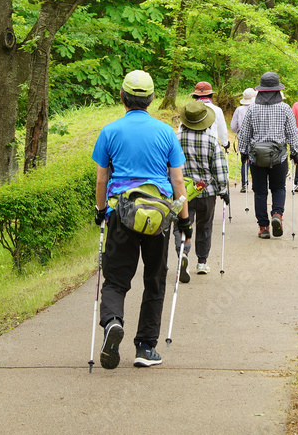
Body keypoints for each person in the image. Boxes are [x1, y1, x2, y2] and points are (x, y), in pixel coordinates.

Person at [92, 70, 189, 370]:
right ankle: (145, 348)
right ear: (151, 99)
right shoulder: (165, 133)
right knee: (155, 280)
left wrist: (99, 211)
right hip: (158, 217)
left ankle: (112, 323)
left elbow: (101, 179)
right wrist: (183, 219)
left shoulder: (110, 131)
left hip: (122, 214)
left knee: (116, 279)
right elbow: (177, 181)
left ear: (121, 97)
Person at [236, 72, 298, 239]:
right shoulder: (285, 108)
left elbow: (244, 133)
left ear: (260, 90)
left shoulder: (252, 108)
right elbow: (292, 132)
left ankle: (263, 227)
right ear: (278, 90)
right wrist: (295, 151)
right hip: (279, 156)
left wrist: (243, 152)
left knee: (260, 191)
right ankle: (277, 215)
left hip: (257, 157)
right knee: (278, 188)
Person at [176, 100, 230, 278]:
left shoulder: (176, 139)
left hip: (182, 191)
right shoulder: (211, 141)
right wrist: (223, 189)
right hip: (207, 192)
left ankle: (183, 254)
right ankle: (202, 262)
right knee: (204, 226)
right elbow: (220, 169)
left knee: (182, 224)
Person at [230, 88, 256, 192]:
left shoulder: (239, 110)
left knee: (244, 160)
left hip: (242, 138)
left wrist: (238, 131)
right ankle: (256, 183)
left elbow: (233, 127)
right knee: (255, 161)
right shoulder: (257, 108)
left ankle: (244, 183)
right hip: (256, 138)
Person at [191, 81, 230, 151]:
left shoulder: (189, 109)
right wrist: (225, 143)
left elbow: (181, 129)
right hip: (210, 146)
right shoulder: (217, 110)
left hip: (191, 146)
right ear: (210, 95)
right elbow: (222, 130)